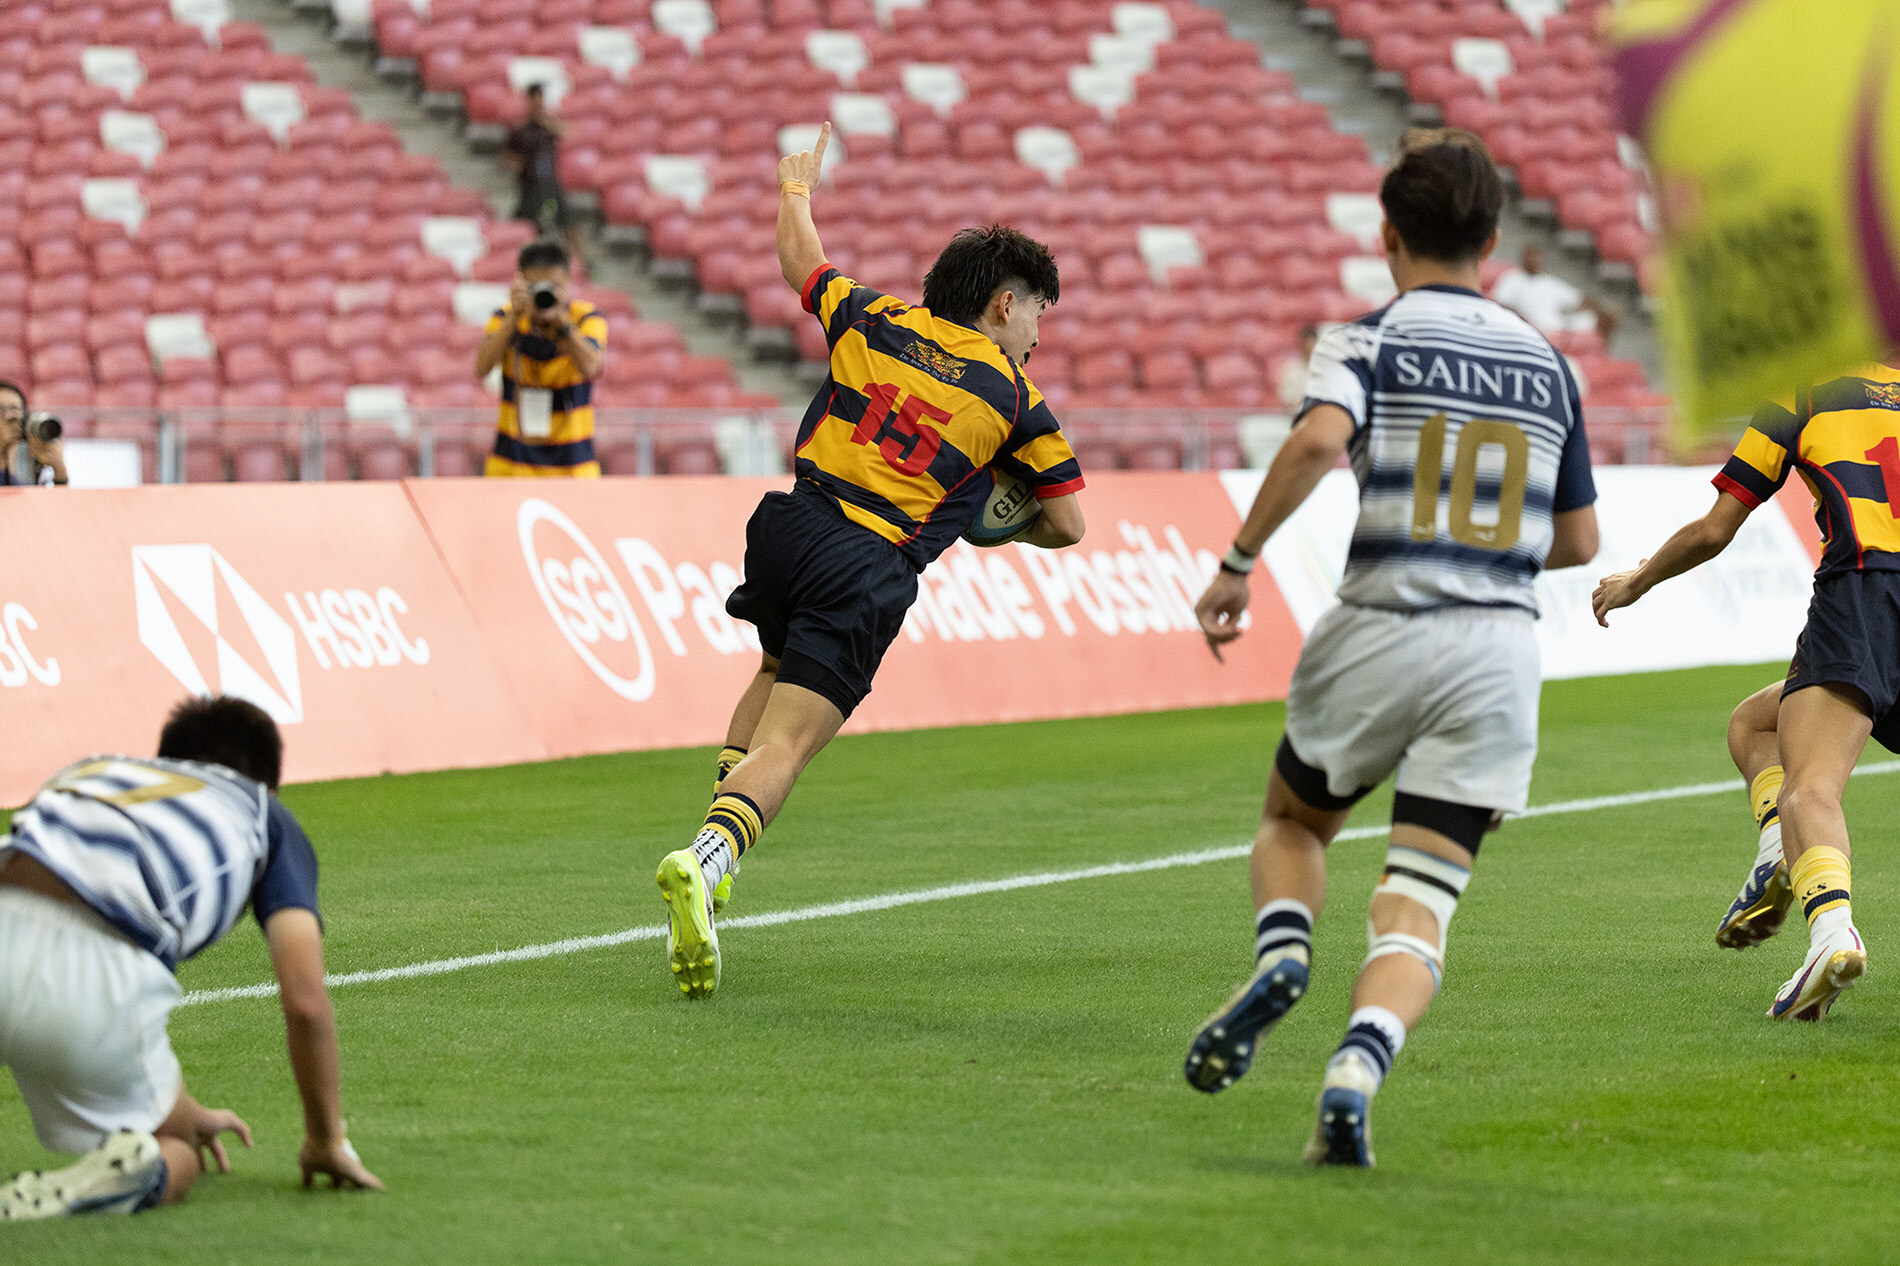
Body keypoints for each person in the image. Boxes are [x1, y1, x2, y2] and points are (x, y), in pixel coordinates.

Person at [1182, 128, 1600, 1167]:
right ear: (1494, 237)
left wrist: (1238, 559)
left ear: (1386, 234)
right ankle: (1357, 1066)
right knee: (1420, 904)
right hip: (1496, 651)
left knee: (1294, 821)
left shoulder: (1367, 338)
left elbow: (1321, 440)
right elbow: (1583, 540)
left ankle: (1283, 955)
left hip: (1380, 624)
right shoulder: (1549, 367)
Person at [654, 123, 1087, 999]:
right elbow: (1069, 523)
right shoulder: (1014, 397)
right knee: (790, 745)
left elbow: (798, 262)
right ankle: (706, 858)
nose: (1038, 333)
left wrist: (794, 189)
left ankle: (717, 855)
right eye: (1038, 311)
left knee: (772, 667)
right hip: (868, 559)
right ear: (1006, 304)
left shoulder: (875, 316)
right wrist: (990, 523)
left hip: (789, 523)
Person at [1593, 365, 1900, 1020]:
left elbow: (1714, 529)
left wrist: (1637, 581)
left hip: (1865, 593)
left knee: (1811, 788)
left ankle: (1831, 937)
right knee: (1755, 726)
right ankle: (1775, 858)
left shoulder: (1803, 389)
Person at [0, 696, 381, 1219]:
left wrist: (188, 1110)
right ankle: (119, 1184)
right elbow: (306, 1001)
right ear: (268, 782)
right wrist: (324, 1139)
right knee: (176, 1152)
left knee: (174, 1118)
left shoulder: (92, 768)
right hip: (95, 972)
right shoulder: (261, 810)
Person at [475, 238, 608, 477]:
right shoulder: (506, 317)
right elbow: (482, 367)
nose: (545, 294)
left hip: (574, 470)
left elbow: (591, 367)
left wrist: (562, 324)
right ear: (521, 282)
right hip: (511, 467)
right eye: (536, 287)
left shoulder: (585, 318)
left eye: (554, 286)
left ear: (568, 280)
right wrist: (514, 317)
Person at [502, 84, 583, 265]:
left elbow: (571, 132)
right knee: (528, 224)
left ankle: (579, 262)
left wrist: (547, 122)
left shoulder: (548, 129)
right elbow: (508, 159)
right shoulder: (520, 132)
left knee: (566, 220)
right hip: (531, 186)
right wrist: (519, 164)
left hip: (550, 185)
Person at [1489, 246, 1617, 340]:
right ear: (1524, 258)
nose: (1535, 261)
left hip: (1559, 325)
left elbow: (1579, 299)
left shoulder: (1548, 281)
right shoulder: (1512, 278)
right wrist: (1526, 322)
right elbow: (1501, 303)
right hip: (1532, 328)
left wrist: (1600, 309)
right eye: (1532, 257)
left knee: (1606, 318)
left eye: (1538, 258)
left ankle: (1602, 359)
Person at [0, 380, 68, 486]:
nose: (11, 417)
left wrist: (59, 469)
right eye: (1, 411)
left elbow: (58, 502)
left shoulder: (15, 479)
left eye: (16, 410)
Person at [1275, 324, 1321, 410]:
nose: (1309, 351)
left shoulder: (1325, 369)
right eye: (1306, 347)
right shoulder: (1291, 369)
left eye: (1312, 346)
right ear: (1300, 345)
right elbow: (1287, 398)